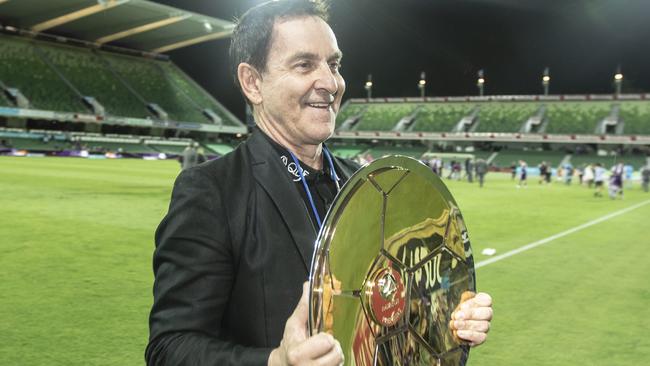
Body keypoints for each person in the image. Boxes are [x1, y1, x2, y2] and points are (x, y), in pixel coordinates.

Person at [146, 1, 493, 365]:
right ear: (253, 82)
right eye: (304, 64)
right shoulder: (212, 191)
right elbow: (170, 349)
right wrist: (277, 361)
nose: (330, 82)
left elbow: (383, 304)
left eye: (334, 64)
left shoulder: (370, 185)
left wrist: (443, 318)